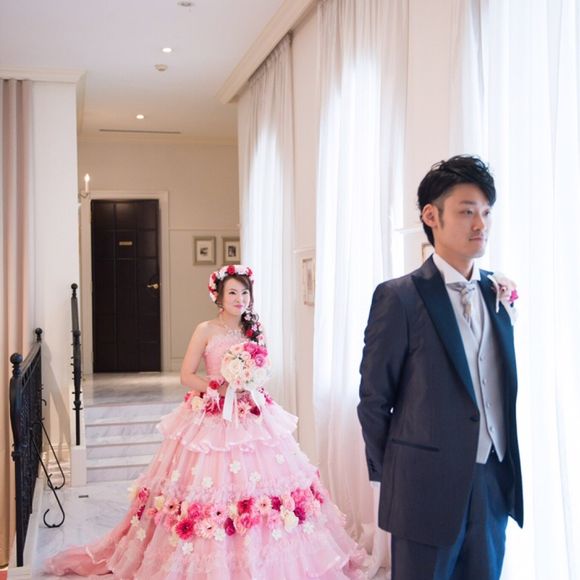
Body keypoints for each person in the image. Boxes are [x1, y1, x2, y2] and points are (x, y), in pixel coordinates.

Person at [45, 264, 365, 579]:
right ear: (219, 297)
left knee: (262, 487)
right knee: (208, 486)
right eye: (233, 293)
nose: (240, 299)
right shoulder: (206, 330)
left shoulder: (254, 328)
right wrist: (218, 388)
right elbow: (186, 375)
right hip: (212, 412)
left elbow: (262, 369)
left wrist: (250, 382)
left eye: (244, 293)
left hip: (251, 411)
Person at [357, 156, 523, 580]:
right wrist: (399, 477)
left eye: (486, 212)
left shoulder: (497, 293)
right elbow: (374, 400)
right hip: (423, 488)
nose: (480, 224)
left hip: (492, 480)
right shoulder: (399, 297)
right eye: (467, 212)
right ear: (432, 216)